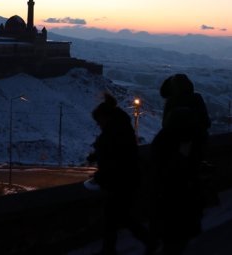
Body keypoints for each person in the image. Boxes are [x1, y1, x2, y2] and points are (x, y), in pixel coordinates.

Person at [88, 93, 154, 255]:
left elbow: (116, 159)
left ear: (105, 117)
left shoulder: (114, 133)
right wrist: (97, 155)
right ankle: (113, 248)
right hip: (125, 179)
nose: (99, 125)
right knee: (120, 216)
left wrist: (100, 175)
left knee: (117, 217)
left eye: (99, 121)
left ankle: (147, 241)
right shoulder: (120, 129)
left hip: (120, 181)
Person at [149, 106, 205, 255]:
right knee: (174, 241)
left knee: (174, 241)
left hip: (176, 199)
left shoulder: (182, 140)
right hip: (172, 198)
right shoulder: (179, 141)